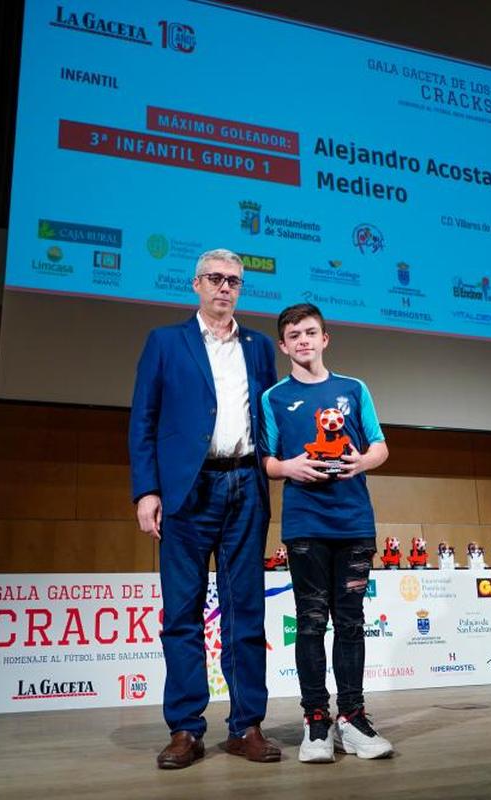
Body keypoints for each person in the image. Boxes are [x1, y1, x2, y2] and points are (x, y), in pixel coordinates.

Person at [128, 248, 280, 769]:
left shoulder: (260, 347)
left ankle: (246, 726)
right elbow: (143, 421)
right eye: (214, 279)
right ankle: (186, 730)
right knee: (182, 614)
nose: (224, 288)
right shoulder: (165, 342)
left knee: (247, 612)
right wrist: (147, 491)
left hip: (244, 487)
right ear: (196, 284)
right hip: (186, 493)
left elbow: (267, 420)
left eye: (233, 281)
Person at [259, 303, 394, 762]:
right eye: (293, 335)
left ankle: (352, 720)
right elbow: (267, 459)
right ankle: (316, 720)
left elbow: (380, 445)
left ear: (325, 338)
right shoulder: (274, 397)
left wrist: (362, 460)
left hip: (354, 523)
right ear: (284, 345)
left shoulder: (354, 389)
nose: (303, 340)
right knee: (312, 623)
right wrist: (288, 466)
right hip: (305, 526)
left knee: (351, 623)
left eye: (310, 332)